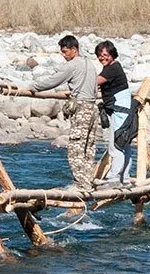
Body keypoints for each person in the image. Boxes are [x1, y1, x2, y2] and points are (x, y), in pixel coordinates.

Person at [29, 34, 99, 189]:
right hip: (93, 109)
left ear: (74, 50)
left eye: (65, 52)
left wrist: (33, 87)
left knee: (75, 149)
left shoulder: (72, 65)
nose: (64, 55)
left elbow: (53, 81)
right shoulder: (90, 64)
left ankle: (82, 184)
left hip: (81, 109)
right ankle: (88, 180)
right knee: (88, 147)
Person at [94, 40, 137, 185]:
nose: (102, 58)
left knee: (116, 146)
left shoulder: (112, 69)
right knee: (124, 145)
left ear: (112, 54)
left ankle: (113, 178)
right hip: (124, 110)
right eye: (100, 55)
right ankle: (124, 178)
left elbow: (95, 82)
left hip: (120, 111)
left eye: (105, 55)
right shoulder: (114, 67)